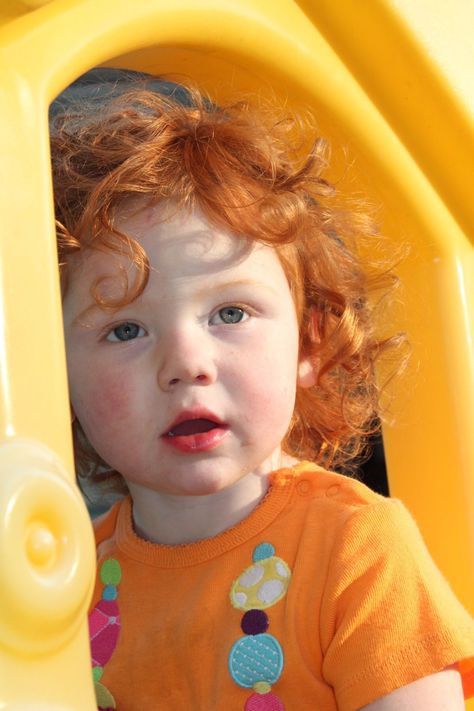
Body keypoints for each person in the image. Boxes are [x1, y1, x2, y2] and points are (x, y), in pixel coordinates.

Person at [51, 68, 474, 710]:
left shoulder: (355, 548)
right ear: (60, 374)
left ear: (308, 344)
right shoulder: (69, 580)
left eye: (230, 313)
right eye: (127, 329)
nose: (187, 363)